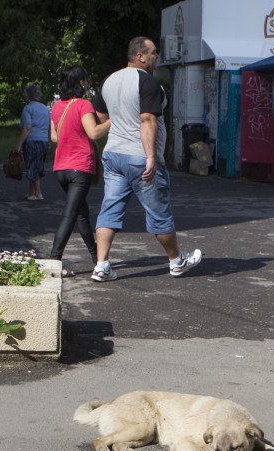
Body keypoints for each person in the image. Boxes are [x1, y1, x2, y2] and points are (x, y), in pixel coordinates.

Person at [90, 36, 202, 282]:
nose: (156, 57)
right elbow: (147, 120)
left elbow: (100, 114)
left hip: (113, 154)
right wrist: (151, 156)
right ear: (140, 56)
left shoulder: (109, 80)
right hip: (139, 157)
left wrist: (120, 121)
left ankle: (101, 266)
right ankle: (176, 261)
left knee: (110, 209)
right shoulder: (147, 82)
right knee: (158, 212)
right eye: (153, 53)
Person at [48, 66, 111, 276]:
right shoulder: (84, 105)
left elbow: (54, 137)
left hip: (61, 168)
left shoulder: (57, 106)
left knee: (81, 215)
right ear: (81, 82)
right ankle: (54, 260)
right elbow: (93, 132)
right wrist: (113, 121)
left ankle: (97, 258)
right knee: (70, 215)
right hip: (80, 167)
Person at [15, 84, 51, 201]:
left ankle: (38, 194)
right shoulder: (45, 109)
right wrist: (49, 141)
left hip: (32, 141)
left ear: (27, 95)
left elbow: (27, 127)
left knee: (32, 166)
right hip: (44, 141)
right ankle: (31, 192)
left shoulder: (28, 108)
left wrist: (19, 144)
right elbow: (49, 126)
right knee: (37, 165)